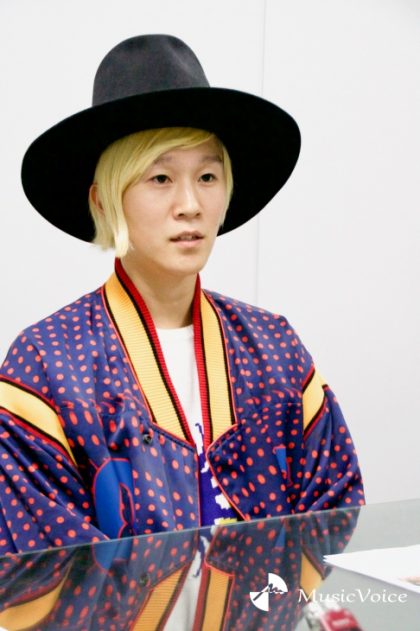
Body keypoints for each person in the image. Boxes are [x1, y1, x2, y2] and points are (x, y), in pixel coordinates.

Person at [0, 34, 364, 555]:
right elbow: (44, 560)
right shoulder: (45, 365)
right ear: (103, 201)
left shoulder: (275, 348)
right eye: (161, 177)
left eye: (208, 175)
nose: (190, 204)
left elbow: (334, 509)